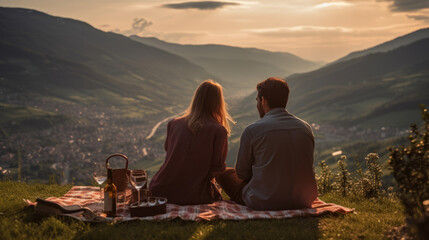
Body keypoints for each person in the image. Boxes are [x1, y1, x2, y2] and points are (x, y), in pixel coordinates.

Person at [216, 77, 318, 210]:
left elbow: (242, 174)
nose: (257, 104)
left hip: (264, 201)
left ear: (263, 100)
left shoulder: (253, 130)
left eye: (257, 100)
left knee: (223, 172)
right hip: (304, 200)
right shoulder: (305, 128)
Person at [149, 80, 234, 205]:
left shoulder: (173, 123)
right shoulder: (218, 130)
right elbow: (217, 169)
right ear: (218, 102)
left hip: (159, 190)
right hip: (194, 195)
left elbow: (169, 152)